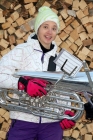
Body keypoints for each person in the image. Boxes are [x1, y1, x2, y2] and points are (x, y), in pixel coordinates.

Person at [0, 6, 75, 140]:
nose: (49, 32)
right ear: (38, 28)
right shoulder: (21, 51)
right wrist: (21, 83)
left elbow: (65, 90)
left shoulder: (59, 59)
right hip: (23, 121)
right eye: (45, 26)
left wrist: (66, 112)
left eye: (54, 28)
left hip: (52, 124)